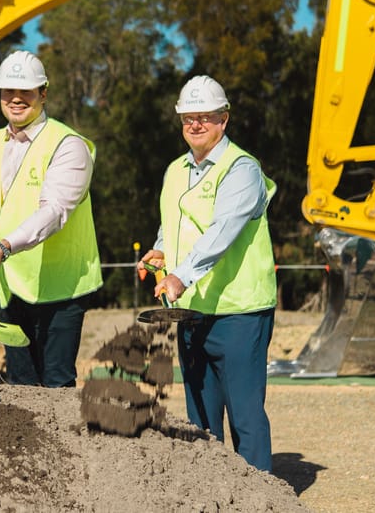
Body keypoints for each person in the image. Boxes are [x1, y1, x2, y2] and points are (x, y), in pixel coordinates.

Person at [138, 75, 277, 472]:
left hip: (239, 312)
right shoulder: (175, 170)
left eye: (206, 117)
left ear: (224, 120)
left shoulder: (242, 169)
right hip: (193, 312)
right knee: (200, 423)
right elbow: (174, 221)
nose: (196, 125)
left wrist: (180, 276)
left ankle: (257, 501)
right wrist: (162, 249)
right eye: (188, 118)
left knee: (246, 419)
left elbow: (223, 231)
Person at [0, 50, 102, 388]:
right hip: (11, 289)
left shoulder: (69, 146)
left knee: (56, 384)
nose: (16, 99)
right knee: (21, 387)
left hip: (62, 287)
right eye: (8, 91)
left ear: (43, 93)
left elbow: (54, 213)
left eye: (26, 92)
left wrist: (2, 248)